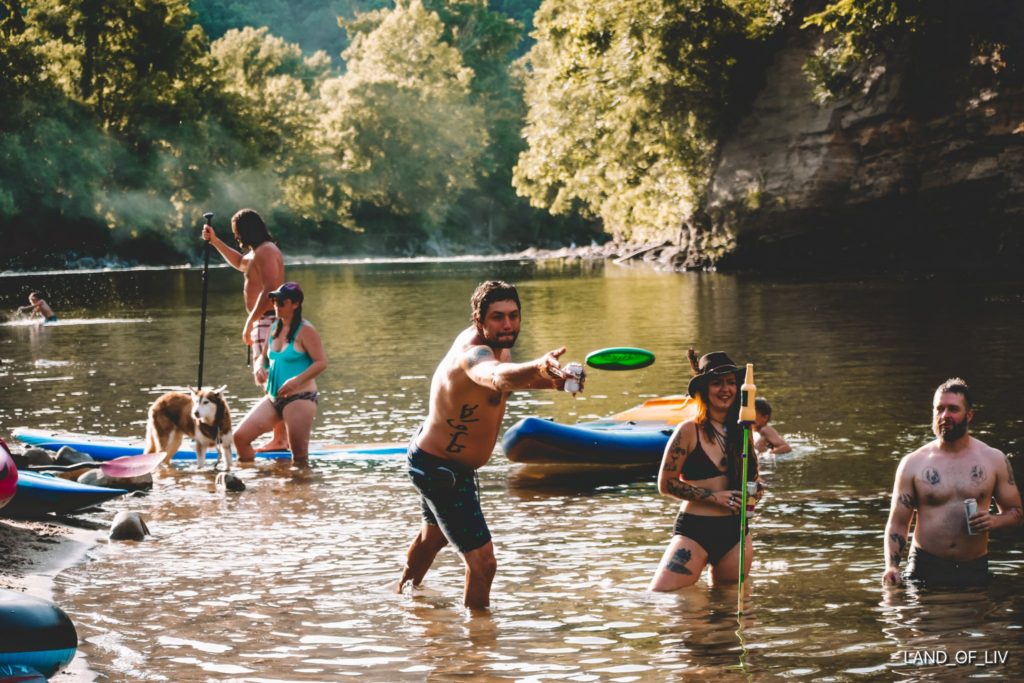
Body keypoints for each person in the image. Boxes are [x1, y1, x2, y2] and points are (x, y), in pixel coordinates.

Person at [395, 280, 584, 610]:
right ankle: (478, 647)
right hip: (441, 467)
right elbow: (495, 377)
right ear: (478, 320)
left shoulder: (501, 349)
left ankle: (401, 596)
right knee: (483, 564)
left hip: (437, 460)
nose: (508, 324)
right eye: (497, 317)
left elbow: (507, 380)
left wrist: (555, 380)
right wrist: (536, 367)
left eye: (513, 315)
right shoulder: (474, 352)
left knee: (435, 536)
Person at [882, 378, 1022, 588]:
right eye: (939, 409)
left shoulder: (993, 459)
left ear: (969, 415)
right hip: (925, 567)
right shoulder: (913, 463)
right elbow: (899, 522)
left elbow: (1017, 513)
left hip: (973, 567)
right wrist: (891, 567)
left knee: (975, 620)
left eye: (953, 409)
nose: (944, 415)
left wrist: (994, 521)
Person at [649, 351, 762, 591]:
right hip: (695, 531)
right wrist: (714, 498)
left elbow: (752, 477)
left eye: (731, 382)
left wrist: (756, 490)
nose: (725, 389)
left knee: (731, 614)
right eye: (717, 383)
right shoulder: (689, 430)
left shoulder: (744, 430)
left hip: (736, 533)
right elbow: (665, 484)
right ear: (703, 389)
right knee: (664, 599)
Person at [202, 208, 288, 451]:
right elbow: (240, 263)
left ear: (246, 230)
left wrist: (250, 321)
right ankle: (281, 438)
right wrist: (216, 241)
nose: (237, 237)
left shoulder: (267, 250)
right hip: (262, 322)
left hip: (269, 320)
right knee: (268, 380)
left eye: (236, 233)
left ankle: (281, 440)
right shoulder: (255, 253)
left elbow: (271, 289)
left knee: (272, 379)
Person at [233, 282, 327, 465]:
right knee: (240, 438)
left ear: (295, 304)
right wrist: (259, 368)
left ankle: (301, 491)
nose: (276, 305)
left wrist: (296, 381)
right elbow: (263, 357)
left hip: (300, 398)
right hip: (273, 398)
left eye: (281, 302)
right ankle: (252, 483)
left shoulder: (306, 330)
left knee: (299, 458)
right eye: (275, 301)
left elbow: (321, 362)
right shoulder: (275, 326)